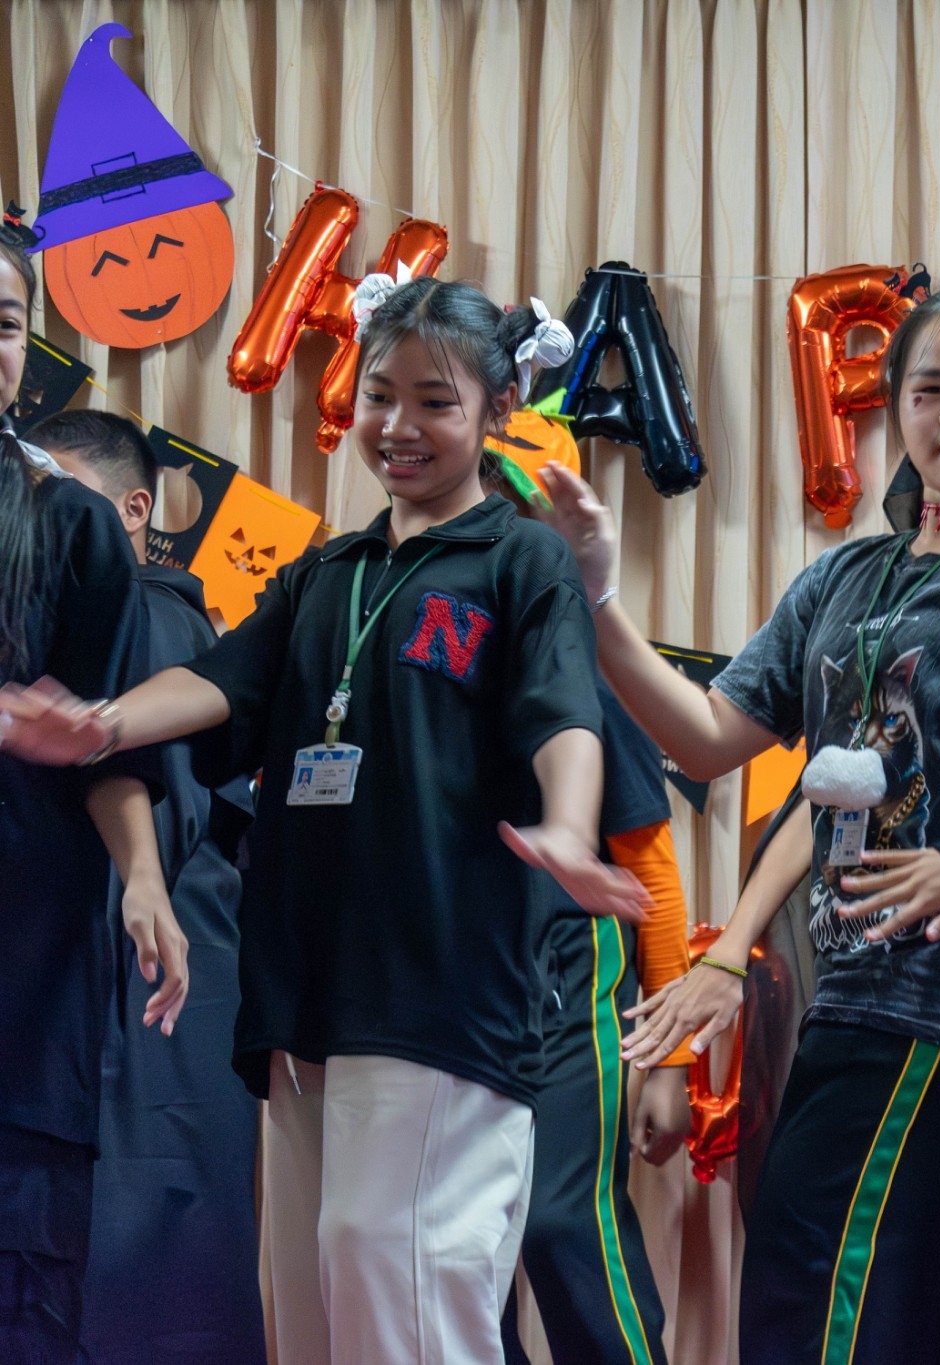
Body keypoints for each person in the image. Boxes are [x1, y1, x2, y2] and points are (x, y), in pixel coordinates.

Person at [0, 275, 647, 1365]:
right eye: (380, 396)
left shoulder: (520, 559)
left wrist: (571, 834)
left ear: (498, 410)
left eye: (435, 401)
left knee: (401, 1287)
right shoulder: (325, 574)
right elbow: (218, 686)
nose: (398, 426)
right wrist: (101, 723)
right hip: (304, 1005)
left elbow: (563, 719)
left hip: (438, 996)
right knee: (311, 1310)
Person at [537, 278, 940, 1364]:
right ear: (895, 408)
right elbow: (707, 738)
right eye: (929, 388)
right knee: (901, 1316)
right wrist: (598, 597)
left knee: (823, 1308)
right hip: (848, 993)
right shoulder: (845, 575)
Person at [35, 408, 266, 1364]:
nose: (47, 520)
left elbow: (160, 829)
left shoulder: (147, 612)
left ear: (134, 510)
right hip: (139, 995)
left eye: (63, 496)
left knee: (145, 1284)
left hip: (149, 996)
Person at [0, 232, 186, 1364]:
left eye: (7, 323)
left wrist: (145, 880)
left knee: (27, 1289)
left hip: (29, 964)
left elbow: (108, 743)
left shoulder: (67, 518)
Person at [489, 467, 691, 1365]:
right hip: (463, 993)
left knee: (564, 1222)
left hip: (573, 987)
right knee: (468, 1244)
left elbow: (654, 874)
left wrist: (670, 1063)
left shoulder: (588, 681)